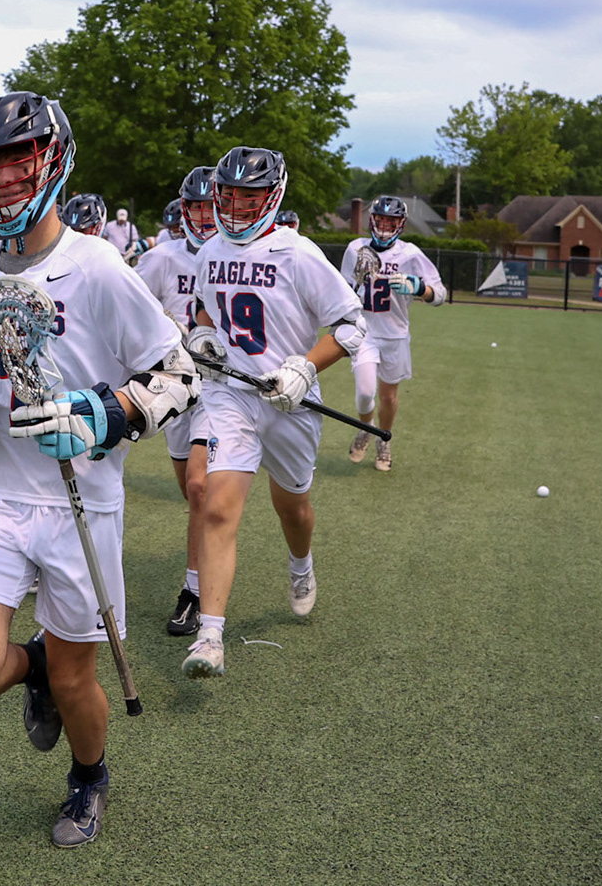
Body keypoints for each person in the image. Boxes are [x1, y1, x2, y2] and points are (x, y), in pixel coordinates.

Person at [0, 91, 199, 848]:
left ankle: (89, 777)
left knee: (79, 682)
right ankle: (32, 664)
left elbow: (179, 374)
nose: (4, 177)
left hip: (81, 504)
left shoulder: (99, 267)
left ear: (53, 157)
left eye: (19, 157)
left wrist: (109, 415)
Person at [180, 146, 366, 680]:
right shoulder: (210, 250)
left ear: (273, 196)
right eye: (230, 193)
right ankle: (210, 635)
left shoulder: (299, 253)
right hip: (231, 396)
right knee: (217, 505)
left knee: (293, 506)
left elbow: (352, 328)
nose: (237, 205)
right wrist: (204, 336)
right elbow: (204, 307)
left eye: (250, 195)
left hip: (290, 401)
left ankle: (301, 567)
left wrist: (305, 369)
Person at [130, 167, 217, 636]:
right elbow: (122, 306)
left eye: (211, 205)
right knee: (191, 491)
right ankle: (211, 548)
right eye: (197, 206)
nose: (204, 215)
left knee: (202, 489)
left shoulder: (235, 255)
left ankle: (195, 591)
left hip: (221, 390)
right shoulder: (162, 258)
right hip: (174, 387)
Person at [340, 195, 447, 470]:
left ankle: (383, 440)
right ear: (372, 220)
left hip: (395, 334)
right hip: (364, 331)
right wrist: (357, 284)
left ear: (401, 223)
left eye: (392, 220)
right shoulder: (356, 248)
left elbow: (440, 294)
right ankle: (366, 427)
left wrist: (419, 287)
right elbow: (341, 291)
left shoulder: (410, 254)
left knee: (388, 396)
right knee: (365, 392)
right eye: (381, 219)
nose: (386, 225)